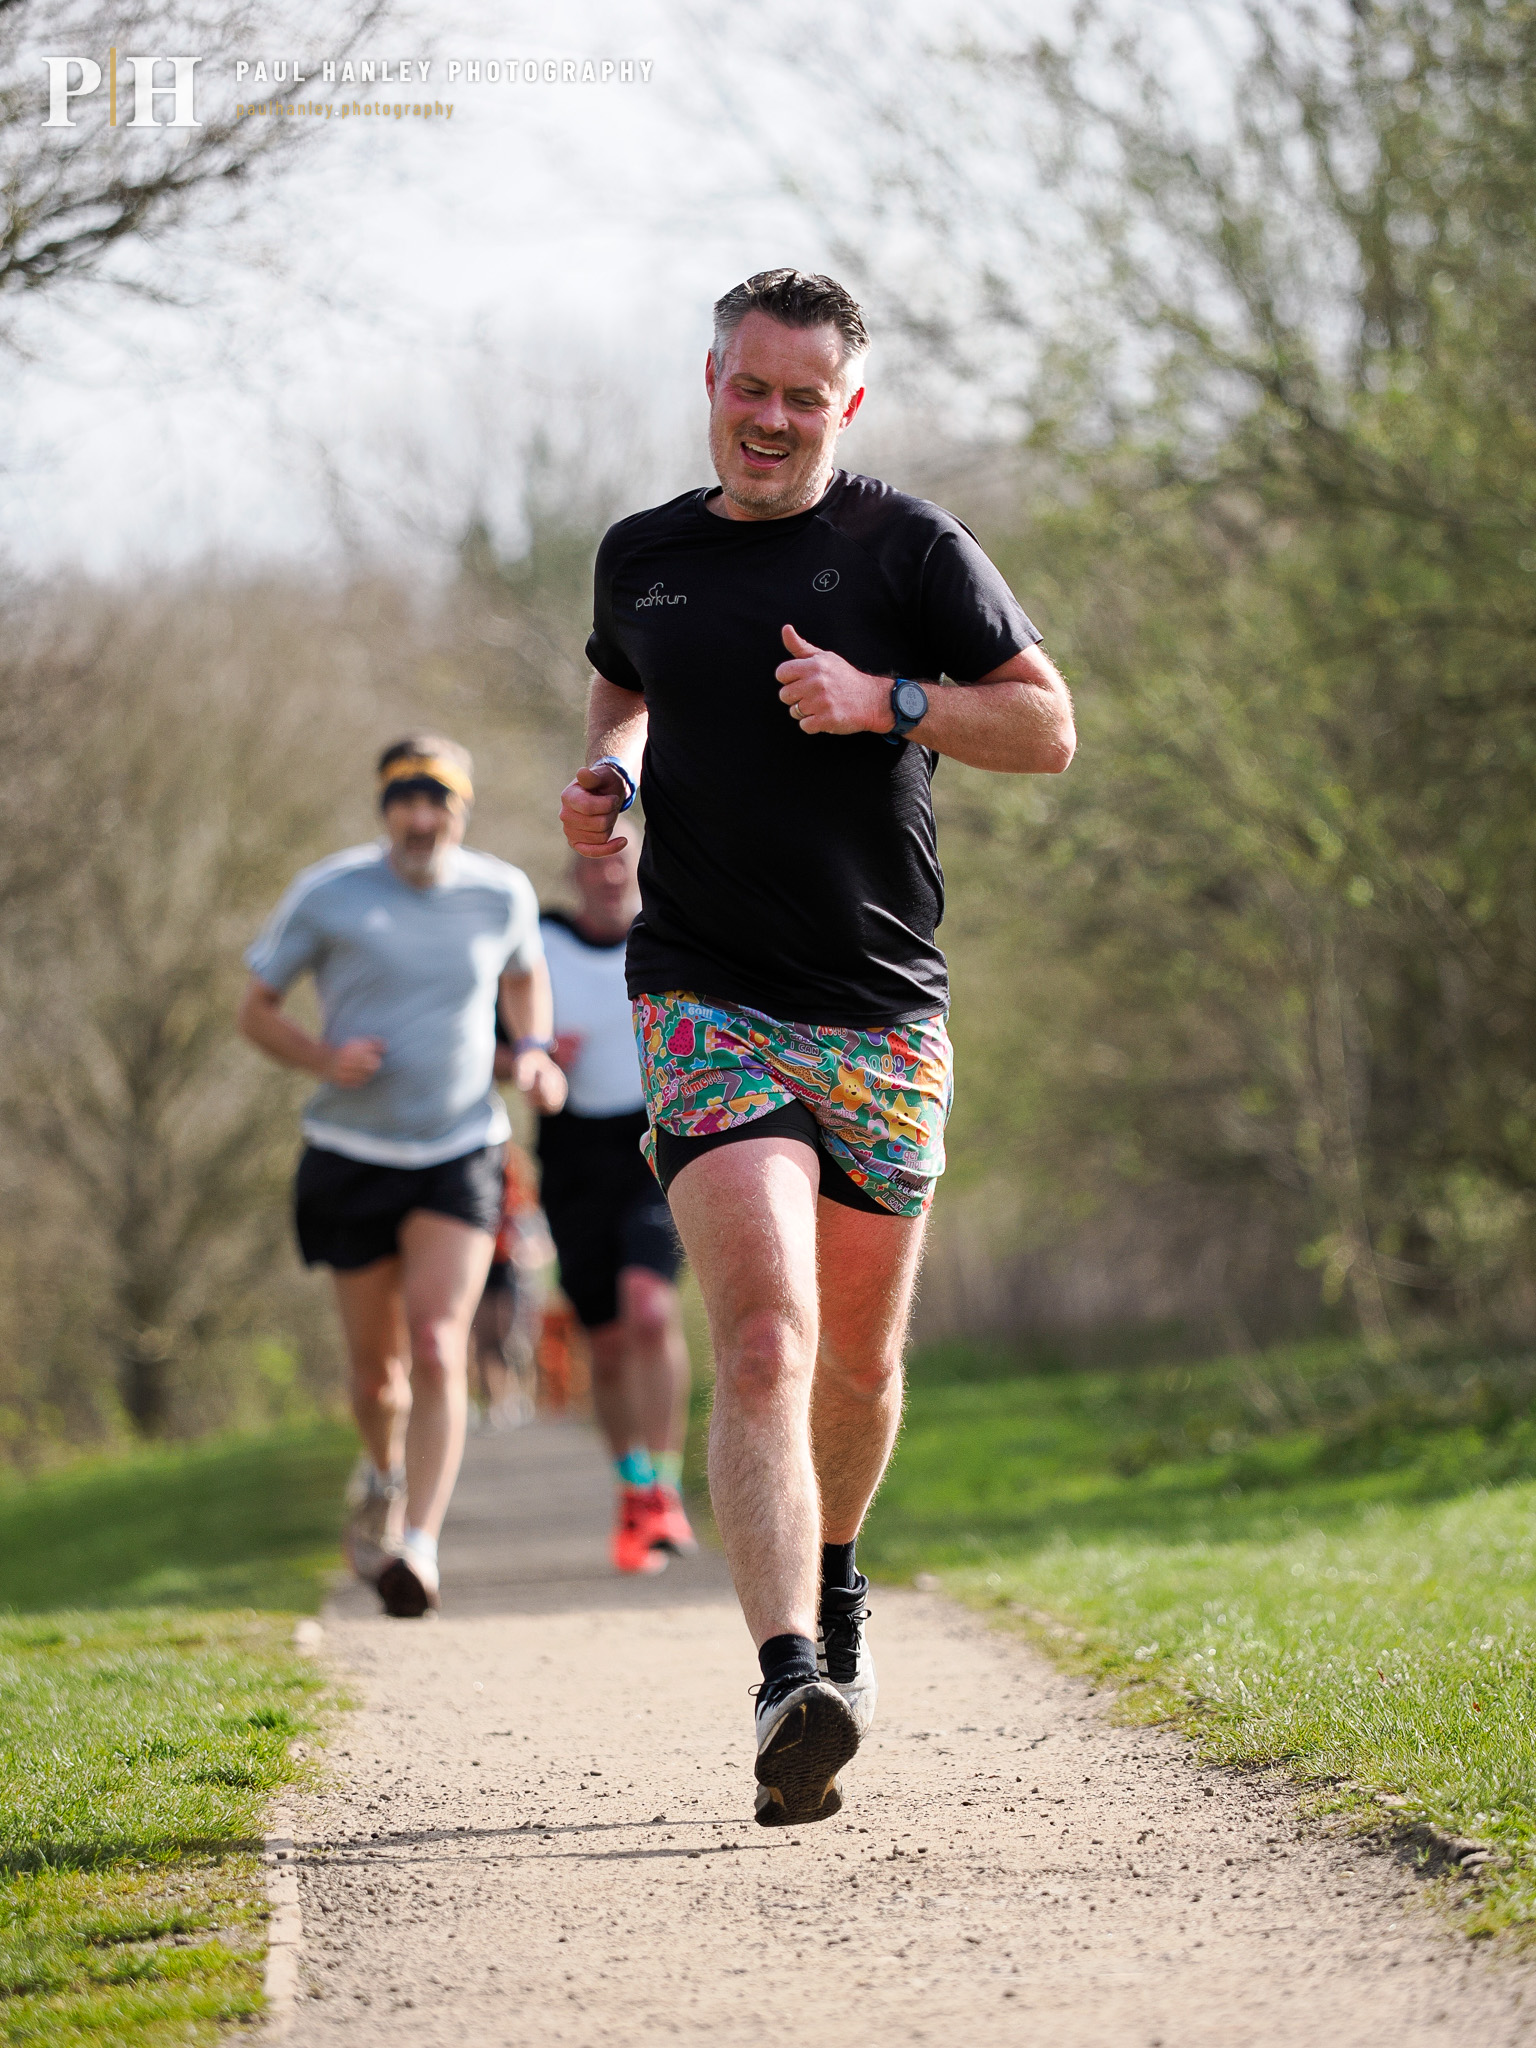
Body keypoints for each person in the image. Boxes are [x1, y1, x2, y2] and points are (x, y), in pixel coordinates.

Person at [559, 270, 1075, 1825]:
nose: (771, 419)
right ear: (709, 376)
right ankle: (791, 1676)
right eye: (750, 387)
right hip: (705, 992)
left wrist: (889, 699)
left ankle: (835, 1584)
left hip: (884, 1010)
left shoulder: (905, 546)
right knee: (769, 1340)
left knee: (859, 1360)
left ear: (846, 406)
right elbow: (623, 686)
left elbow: (1046, 727)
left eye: (805, 396)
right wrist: (611, 774)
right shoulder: (642, 556)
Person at [239, 735, 566, 1618]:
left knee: (437, 1345)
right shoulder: (331, 893)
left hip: (460, 1150)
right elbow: (254, 1009)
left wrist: (532, 1053)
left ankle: (418, 1545)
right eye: (405, 801)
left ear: (463, 807)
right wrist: (321, 1055)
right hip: (350, 1155)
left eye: (439, 801)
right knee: (377, 1376)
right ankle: (382, 1472)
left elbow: (527, 978)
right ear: (384, 808)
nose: (422, 818)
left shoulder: (501, 891)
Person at [537, 835, 697, 1574]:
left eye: (619, 863)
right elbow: (498, 1039)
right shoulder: (539, 941)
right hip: (571, 1152)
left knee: (650, 1309)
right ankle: (632, 1489)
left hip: (654, 1139)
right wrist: (529, 1055)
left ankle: (664, 1489)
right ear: (574, 873)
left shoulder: (671, 930)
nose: (606, 877)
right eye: (592, 864)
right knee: (602, 1340)